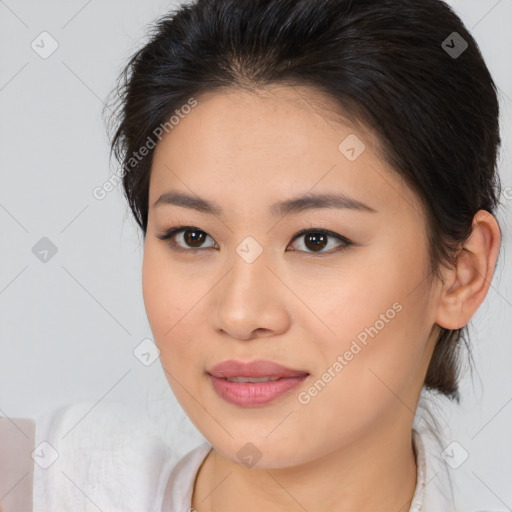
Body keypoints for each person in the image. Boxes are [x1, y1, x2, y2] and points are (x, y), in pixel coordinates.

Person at [30, 0, 503, 510]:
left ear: (461, 273)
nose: (240, 314)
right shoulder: (41, 484)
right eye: (193, 237)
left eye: (316, 239)